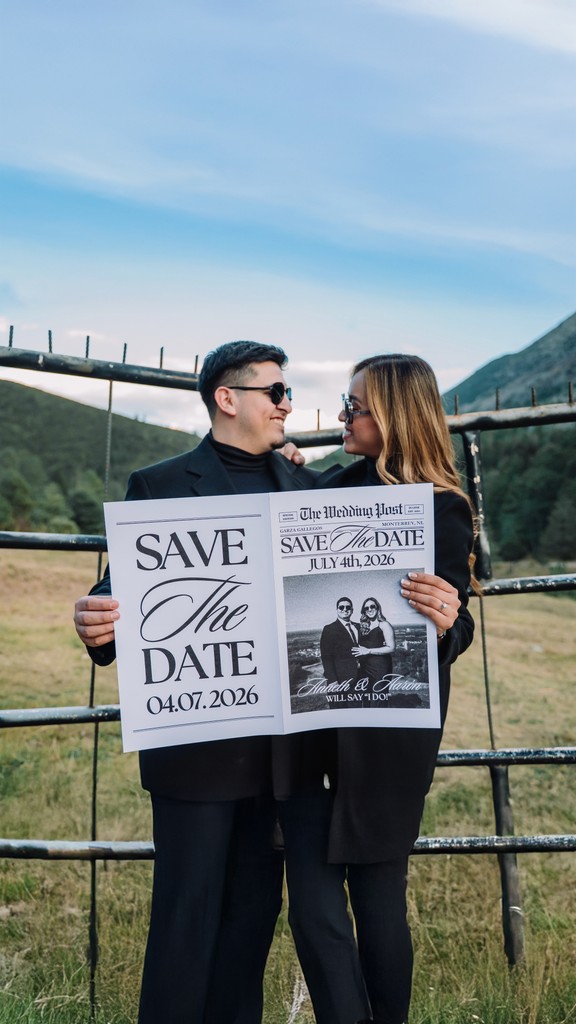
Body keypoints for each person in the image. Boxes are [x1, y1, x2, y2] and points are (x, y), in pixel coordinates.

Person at [73, 341, 318, 1024]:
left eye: (288, 392)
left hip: (282, 755)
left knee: (253, 919)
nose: (287, 404)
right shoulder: (158, 484)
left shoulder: (307, 487)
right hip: (194, 748)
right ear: (227, 397)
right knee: (186, 918)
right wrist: (95, 619)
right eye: (276, 392)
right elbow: (122, 591)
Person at [280, 354, 476, 1024]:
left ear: (393, 415)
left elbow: (457, 626)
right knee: (311, 901)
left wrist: (447, 619)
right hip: (311, 726)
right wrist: (286, 470)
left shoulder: (443, 508)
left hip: (393, 736)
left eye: (354, 405)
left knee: (379, 897)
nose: (342, 414)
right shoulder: (329, 488)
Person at [352, 597, 395, 706]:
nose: (369, 609)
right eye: (366, 608)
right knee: (366, 699)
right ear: (364, 611)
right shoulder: (363, 627)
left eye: (372, 606)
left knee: (378, 699)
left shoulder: (384, 625)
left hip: (380, 668)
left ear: (377, 608)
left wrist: (369, 651)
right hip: (365, 668)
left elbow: (391, 647)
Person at [320, 596, 361, 687]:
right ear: (337, 610)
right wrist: (332, 680)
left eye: (348, 607)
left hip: (361, 677)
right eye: (341, 607)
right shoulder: (329, 629)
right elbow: (326, 657)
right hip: (340, 680)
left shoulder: (359, 627)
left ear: (352, 610)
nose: (345, 609)